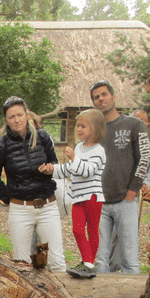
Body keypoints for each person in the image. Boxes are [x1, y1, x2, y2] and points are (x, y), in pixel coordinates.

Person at [0, 96, 65, 272]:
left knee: (57, 261)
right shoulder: (1, 145)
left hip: (47, 206)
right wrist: (10, 198)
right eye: (11, 116)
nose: (16, 120)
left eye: (20, 115)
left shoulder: (43, 137)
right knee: (21, 263)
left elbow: (56, 165)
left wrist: (50, 169)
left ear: (26, 115)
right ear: (6, 120)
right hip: (20, 210)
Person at [90, 80, 150, 274]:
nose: (101, 99)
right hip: (98, 202)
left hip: (125, 201)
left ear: (113, 97)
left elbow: (144, 158)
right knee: (100, 260)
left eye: (104, 94)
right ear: (94, 103)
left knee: (130, 259)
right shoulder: (94, 130)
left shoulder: (133, 125)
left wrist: (133, 191)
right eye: (96, 97)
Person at [41, 108, 106, 278]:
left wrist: (73, 158)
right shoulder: (79, 148)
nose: (78, 129)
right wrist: (51, 170)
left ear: (95, 128)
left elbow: (87, 171)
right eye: (78, 125)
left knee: (92, 230)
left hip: (92, 197)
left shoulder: (99, 151)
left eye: (83, 126)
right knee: (77, 230)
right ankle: (87, 261)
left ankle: (88, 264)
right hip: (77, 197)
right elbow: (69, 170)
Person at [110, 109, 150, 272]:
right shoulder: (122, 141)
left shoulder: (148, 146)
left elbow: (149, 170)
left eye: (146, 120)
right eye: (139, 120)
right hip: (114, 195)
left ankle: (127, 269)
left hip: (131, 197)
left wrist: (145, 184)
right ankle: (111, 267)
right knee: (112, 235)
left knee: (127, 236)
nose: (143, 123)